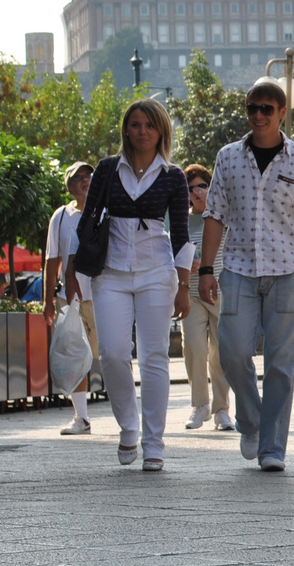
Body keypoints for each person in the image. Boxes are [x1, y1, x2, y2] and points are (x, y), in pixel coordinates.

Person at [197, 77, 294, 473]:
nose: (259, 115)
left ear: (282, 112)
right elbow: (214, 214)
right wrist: (206, 269)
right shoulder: (228, 157)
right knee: (233, 353)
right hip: (238, 269)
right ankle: (251, 421)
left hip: (288, 271)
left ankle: (272, 447)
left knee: (280, 363)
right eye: (253, 108)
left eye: (267, 109)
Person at [65, 100, 192, 472]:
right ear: (126, 130)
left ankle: (154, 442)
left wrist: (184, 284)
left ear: (161, 131)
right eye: (135, 125)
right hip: (111, 272)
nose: (141, 132)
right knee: (113, 352)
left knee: (155, 358)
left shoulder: (173, 175)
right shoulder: (106, 168)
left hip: (157, 271)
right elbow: (88, 219)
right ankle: (128, 427)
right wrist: (73, 270)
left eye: (149, 126)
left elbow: (182, 235)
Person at [43, 161, 99, 435]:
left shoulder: (103, 211)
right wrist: (47, 300)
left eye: (89, 175)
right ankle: (82, 418)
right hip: (71, 298)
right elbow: (52, 260)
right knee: (75, 358)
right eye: (79, 177)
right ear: (69, 186)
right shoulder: (61, 217)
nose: (86, 179)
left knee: (113, 354)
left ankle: (130, 417)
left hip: (103, 294)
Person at [181, 165, 232, 432]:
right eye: (190, 189)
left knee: (220, 353)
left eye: (201, 186)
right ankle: (199, 405)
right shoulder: (179, 219)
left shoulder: (222, 216)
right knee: (194, 348)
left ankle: (221, 410)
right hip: (190, 293)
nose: (196, 192)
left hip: (219, 291)